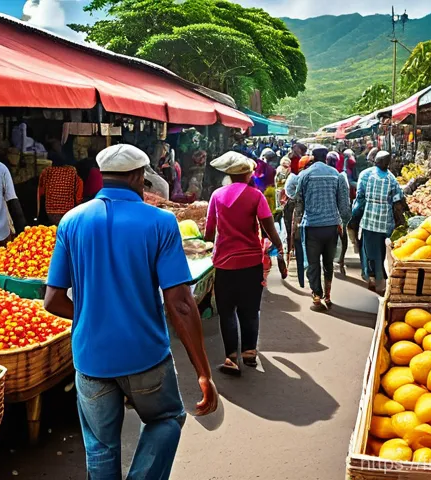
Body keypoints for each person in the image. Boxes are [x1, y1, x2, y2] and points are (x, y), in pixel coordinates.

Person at [43, 144, 218, 479]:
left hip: (91, 359)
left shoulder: (71, 221)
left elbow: (52, 300)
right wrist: (203, 372)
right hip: (146, 356)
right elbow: (180, 303)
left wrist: (92, 316)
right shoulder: (161, 222)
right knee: (166, 419)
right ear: (139, 176)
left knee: (100, 447)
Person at [205, 151, 284, 375]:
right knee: (250, 310)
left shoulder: (217, 195)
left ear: (230, 175)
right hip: (251, 262)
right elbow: (269, 228)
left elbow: (210, 231)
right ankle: (249, 353)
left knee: (227, 311)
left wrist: (206, 246)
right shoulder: (256, 196)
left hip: (224, 263)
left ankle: (231, 357)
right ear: (248, 174)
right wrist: (281, 253)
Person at [294, 147, 352, 310]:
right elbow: (344, 204)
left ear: (313, 157)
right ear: (326, 157)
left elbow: (299, 201)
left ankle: (316, 294)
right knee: (328, 262)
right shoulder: (336, 175)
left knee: (313, 263)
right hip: (331, 226)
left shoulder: (304, 175)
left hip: (311, 227)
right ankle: (328, 294)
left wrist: (298, 223)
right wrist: (343, 223)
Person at [353, 151, 404, 294]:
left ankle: (372, 277)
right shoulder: (392, 178)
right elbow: (397, 200)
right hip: (385, 222)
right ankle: (382, 279)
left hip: (368, 220)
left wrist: (355, 215)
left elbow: (360, 197)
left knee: (369, 251)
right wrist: (401, 220)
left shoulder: (365, 175)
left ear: (375, 160)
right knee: (383, 252)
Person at [39, 134, 84, 225]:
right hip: (68, 211)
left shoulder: (47, 172)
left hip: (50, 211)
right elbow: (79, 193)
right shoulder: (72, 172)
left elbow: (41, 192)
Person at [285, 155, 312, 287]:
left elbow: (291, 195)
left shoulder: (296, 178)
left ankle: (303, 281)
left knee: (300, 248)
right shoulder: (304, 178)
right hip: (309, 220)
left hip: (299, 219)